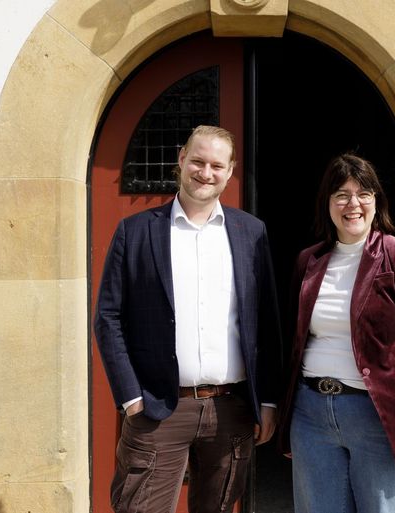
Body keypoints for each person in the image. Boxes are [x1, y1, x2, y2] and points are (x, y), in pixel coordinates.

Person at [94, 125, 281, 513]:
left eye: (217, 165)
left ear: (230, 171)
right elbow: (108, 317)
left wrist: (267, 400)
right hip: (158, 408)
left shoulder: (251, 232)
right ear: (181, 159)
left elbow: (266, 321)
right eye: (198, 161)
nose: (205, 173)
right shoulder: (136, 231)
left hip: (231, 408)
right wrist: (131, 398)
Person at [279, 153, 395, 513]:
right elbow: (292, 343)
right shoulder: (309, 261)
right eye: (341, 194)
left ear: (376, 201)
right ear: (327, 204)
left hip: (380, 417)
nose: (352, 204)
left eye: (363, 193)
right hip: (311, 415)